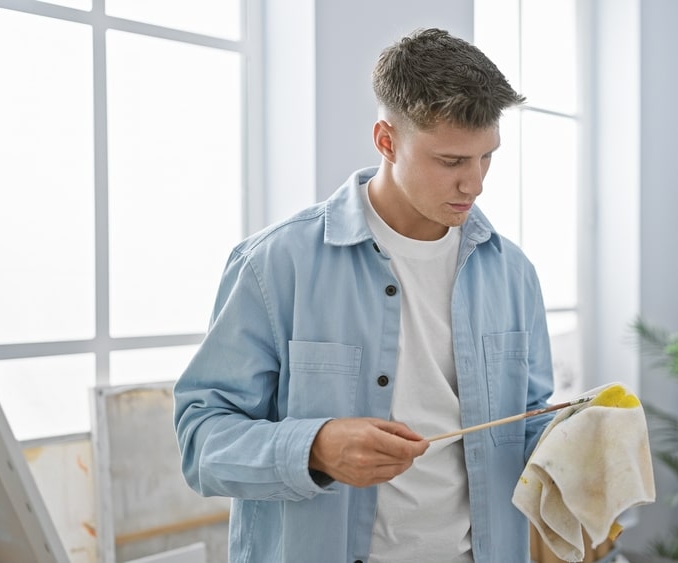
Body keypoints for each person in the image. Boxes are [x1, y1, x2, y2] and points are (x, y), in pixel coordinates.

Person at [174, 27, 556, 562]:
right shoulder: (275, 264)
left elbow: (531, 419)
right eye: (451, 162)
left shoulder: (513, 273)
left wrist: (578, 444)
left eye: (486, 157)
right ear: (386, 140)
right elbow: (201, 440)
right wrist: (315, 448)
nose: (475, 184)